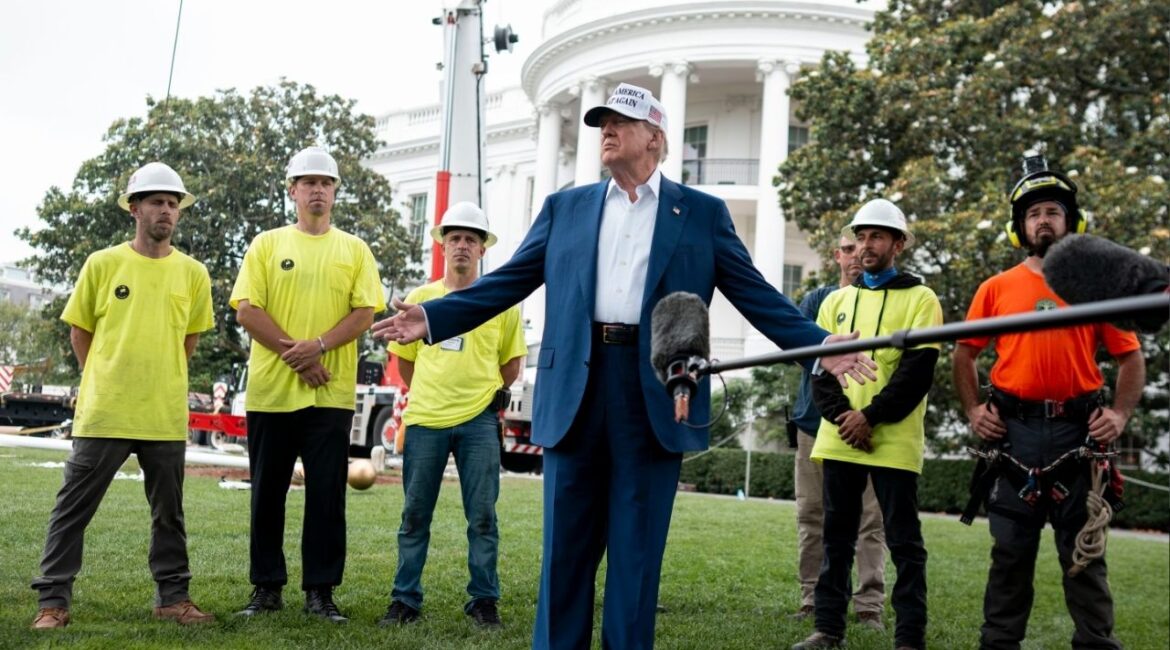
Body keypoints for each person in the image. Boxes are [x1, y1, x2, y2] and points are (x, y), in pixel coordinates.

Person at [373, 82, 877, 649]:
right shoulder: (566, 207)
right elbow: (508, 281)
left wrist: (819, 345)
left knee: (636, 558)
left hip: (656, 393)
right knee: (564, 553)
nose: (606, 131)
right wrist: (436, 316)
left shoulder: (702, 215)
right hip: (576, 391)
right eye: (602, 122)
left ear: (656, 139)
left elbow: (756, 295)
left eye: (621, 122)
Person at [953, 155, 1144, 650]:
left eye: (1053, 212)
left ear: (1071, 223)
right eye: (1034, 213)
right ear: (1020, 227)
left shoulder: (1095, 290)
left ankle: (1096, 644)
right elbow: (964, 353)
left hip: (1076, 436)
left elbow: (1131, 357)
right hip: (1012, 435)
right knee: (1010, 556)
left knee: (1084, 559)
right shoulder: (995, 289)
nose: (1043, 220)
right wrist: (974, 410)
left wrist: (1119, 414)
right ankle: (999, 644)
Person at [30, 162, 215, 629]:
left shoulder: (194, 273)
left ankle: (173, 599)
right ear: (134, 208)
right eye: (156, 202)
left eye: (173, 204)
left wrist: (159, 377)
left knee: (169, 517)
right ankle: (53, 602)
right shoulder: (103, 263)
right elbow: (80, 332)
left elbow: (187, 342)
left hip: (163, 414)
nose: (166, 211)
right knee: (72, 511)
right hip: (106, 411)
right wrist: (107, 376)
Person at [230, 146, 385, 624]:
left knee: (325, 498)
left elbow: (364, 313)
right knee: (267, 495)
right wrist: (298, 355)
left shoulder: (354, 249)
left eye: (326, 183)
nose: (317, 190)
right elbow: (247, 310)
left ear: (335, 192)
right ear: (292, 190)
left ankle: (321, 592)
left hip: (330, 396)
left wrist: (318, 346)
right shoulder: (266, 244)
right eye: (308, 182)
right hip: (271, 395)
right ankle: (266, 589)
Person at [794, 199, 942, 650]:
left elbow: (916, 376)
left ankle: (908, 637)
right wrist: (844, 418)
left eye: (876, 236)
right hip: (839, 440)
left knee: (904, 543)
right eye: (860, 237)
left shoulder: (923, 299)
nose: (864, 246)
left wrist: (869, 418)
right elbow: (818, 373)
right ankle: (828, 629)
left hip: (894, 441)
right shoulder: (835, 301)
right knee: (835, 539)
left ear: (898, 243)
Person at [378, 203, 527, 628]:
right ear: (443, 245)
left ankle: (484, 600)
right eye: (455, 238)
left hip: (479, 421)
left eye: (471, 240)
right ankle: (405, 600)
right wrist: (433, 390)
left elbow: (511, 366)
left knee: (483, 516)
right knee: (414, 516)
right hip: (425, 419)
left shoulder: (501, 303)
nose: (462, 245)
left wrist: (478, 397)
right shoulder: (421, 301)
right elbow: (404, 363)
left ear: (483, 250)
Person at [790, 235, 886, 629]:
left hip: (870, 429)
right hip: (816, 424)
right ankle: (812, 598)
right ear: (837, 256)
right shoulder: (817, 301)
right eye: (847, 248)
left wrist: (865, 416)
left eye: (861, 247)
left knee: (869, 521)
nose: (855, 256)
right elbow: (801, 351)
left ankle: (869, 606)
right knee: (812, 515)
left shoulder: (886, 301)